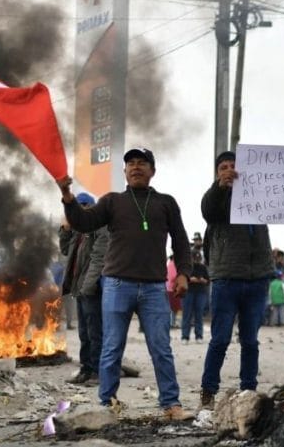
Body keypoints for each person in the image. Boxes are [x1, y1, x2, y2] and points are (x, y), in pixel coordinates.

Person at [56, 147, 193, 420]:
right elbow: (83, 222)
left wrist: (183, 273)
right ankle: (107, 404)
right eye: (131, 163)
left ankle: (171, 404)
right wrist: (68, 197)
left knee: (161, 348)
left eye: (142, 163)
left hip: (154, 287)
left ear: (152, 171)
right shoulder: (112, 201)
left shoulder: (166, 202)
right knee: (111, 347)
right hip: (117, 284)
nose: (136, 167)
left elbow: (180, 240)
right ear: (125, 171)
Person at [198, 151, 284, 407]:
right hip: (227, 279)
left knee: (250, 341)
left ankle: (248, 390)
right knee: (220, 339)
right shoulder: (217, 200)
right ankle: (208, 392)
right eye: (223, 167)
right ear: (217, 173)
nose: (229, 170)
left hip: (257, 279)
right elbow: (207, 209)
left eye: (233, 166)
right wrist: (220, 187)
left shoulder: (263, 194)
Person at [60, 192, 109, 385]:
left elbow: (98, 259)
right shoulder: (79, 230)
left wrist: (88, 287)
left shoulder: (100, 228)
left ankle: (97, 371)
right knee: (84, 333)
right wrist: (65, 230)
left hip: (92, 289)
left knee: (95, 331)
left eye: (83, 206)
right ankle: (86, 369)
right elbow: (65, 251)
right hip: (79, 288)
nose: (79, 210)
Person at [181, 252, 210, 344]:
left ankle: (199, 336)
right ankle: (185, 337)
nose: (197, 260)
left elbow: (208, 280)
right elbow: (182, 278)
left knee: (199, 315)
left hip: (201, 292)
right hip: (188, 292)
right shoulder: (187, 267)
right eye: (195, 258)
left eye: (198, 258)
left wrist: (202, 280)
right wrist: (190, 279)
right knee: (187, 314)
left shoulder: (203, 267)